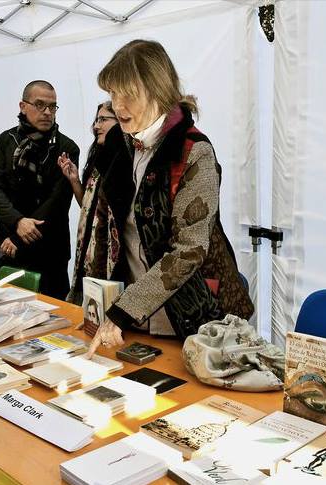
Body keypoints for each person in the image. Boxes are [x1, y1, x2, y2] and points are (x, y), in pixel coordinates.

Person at [86, 39, 254, 356]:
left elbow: (189, 251)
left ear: (156, 90)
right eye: (112, 94)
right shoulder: (120, 146)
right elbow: (106, 229)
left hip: (193, 321)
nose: (116, 106)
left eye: (127, 95)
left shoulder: (194, 152)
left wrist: (124, 309)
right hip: (134, 319)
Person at [0, 80, 80, 299]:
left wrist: (21, 236)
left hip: (49, 247)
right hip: (9, 242)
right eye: (40, 105)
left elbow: (58, 200)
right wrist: (17, 222)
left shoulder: (66, 147)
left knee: (55, 317)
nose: (47, 112)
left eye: (52, 107)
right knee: (7, 311)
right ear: (23, 106)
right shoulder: (7, 140)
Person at [59, 102, 118, 303]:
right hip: (89, 253)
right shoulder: (97, 159)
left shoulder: (122, 160)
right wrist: (74, 180)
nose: (96, 126)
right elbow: (87, 208)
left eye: (103, 120)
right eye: (96, 119)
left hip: (110, 259)